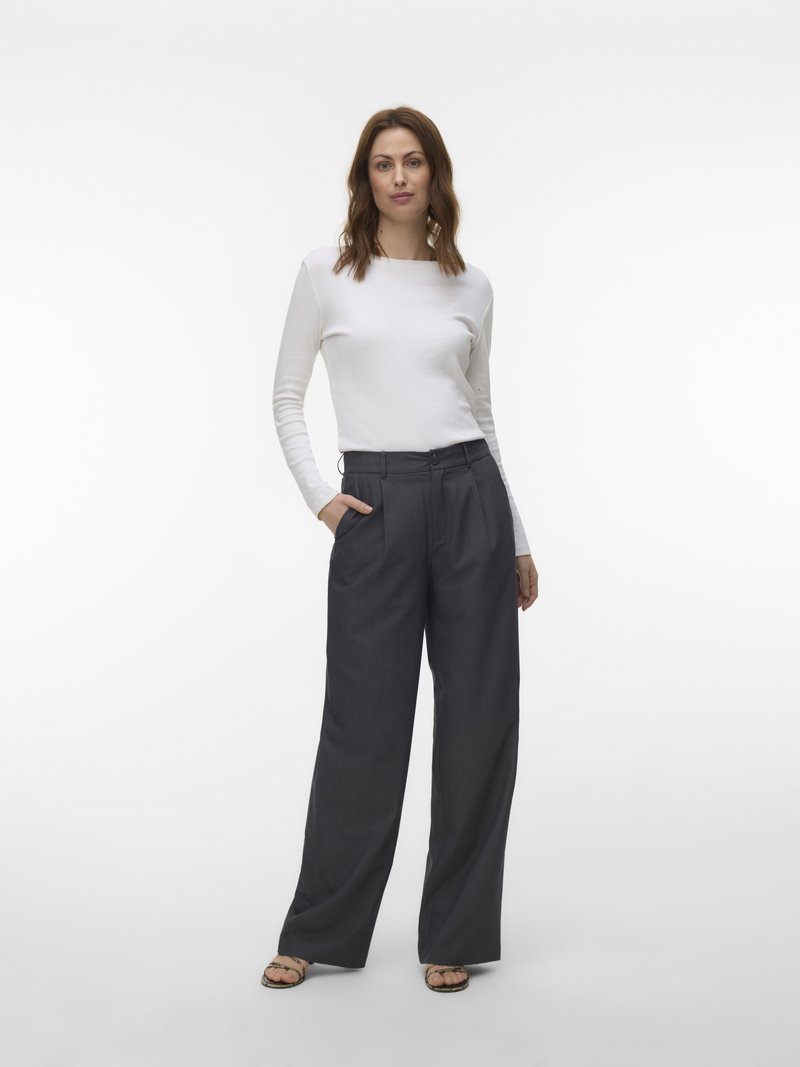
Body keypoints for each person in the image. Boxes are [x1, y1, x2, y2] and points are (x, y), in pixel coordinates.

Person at [262, 106, 538, 993]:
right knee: (362, 723)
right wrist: (324, 500)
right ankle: (319, 928)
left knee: (478, 722)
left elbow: (482, 412)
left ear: (435, 175)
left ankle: (454, 932)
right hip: (375, 504)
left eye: (413, 161)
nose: (399, 177)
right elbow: (286, 396)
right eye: (383, 164)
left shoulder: (471, 287)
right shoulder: (326, 273)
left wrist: (516, 536)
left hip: (470, 497)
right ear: (365, 179)